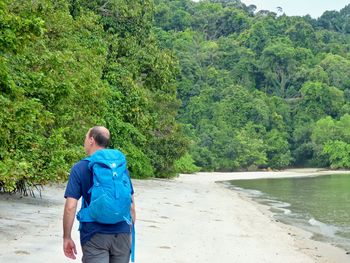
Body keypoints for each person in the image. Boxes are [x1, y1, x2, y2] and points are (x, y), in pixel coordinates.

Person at [63, 126, 136, 263]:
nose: (84, 141)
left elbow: (70, 207)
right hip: (121, 233)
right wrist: (130, 234)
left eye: (85, 137)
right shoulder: (120, 167)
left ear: (91, 140)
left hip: (94, 235)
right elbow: (131, 206)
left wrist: (66, 237)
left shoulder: (80, 168)